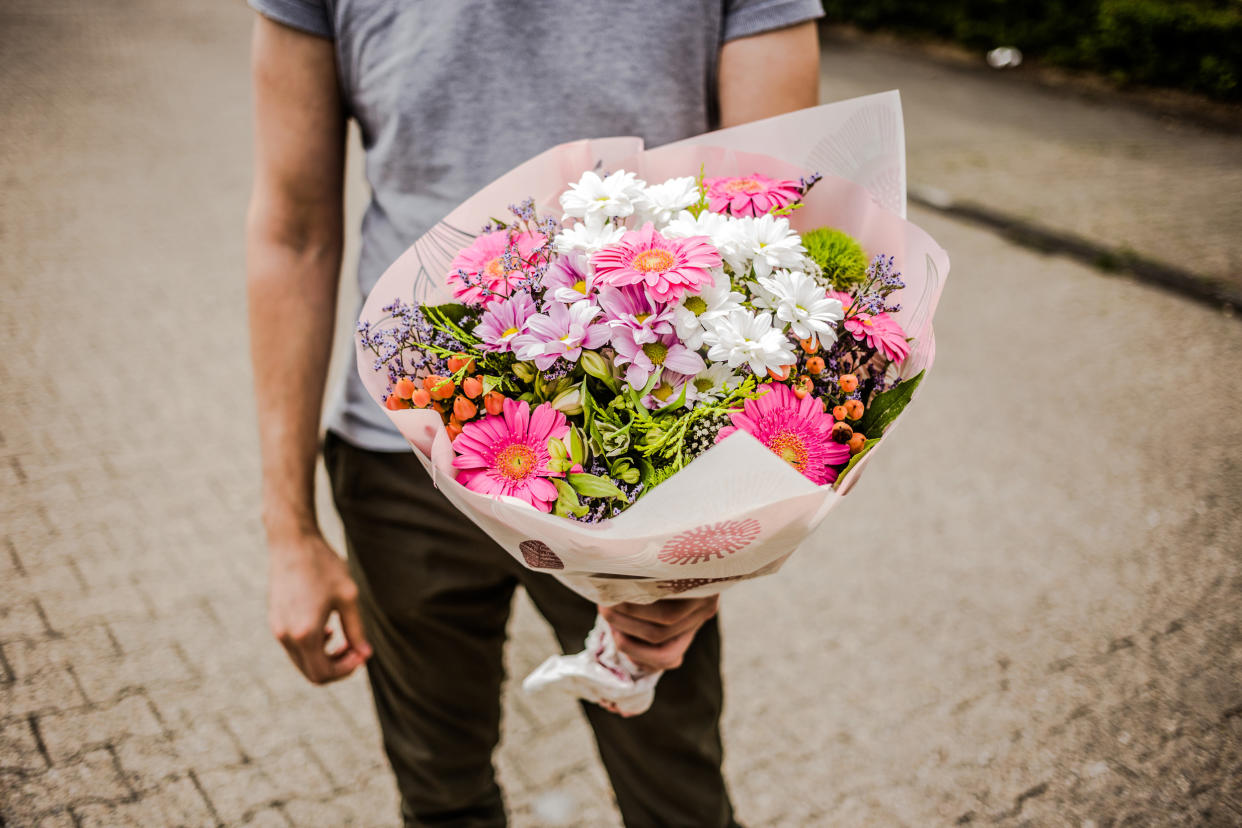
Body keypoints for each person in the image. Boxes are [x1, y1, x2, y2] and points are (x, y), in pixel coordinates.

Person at [245, 2, 823, 825]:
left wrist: (726, 537)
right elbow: (292, 231)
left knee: (676, 797)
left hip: (643, 472)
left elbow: (779, 220)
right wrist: (287, 530)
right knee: (442, 797)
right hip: (404, 464)